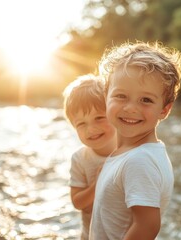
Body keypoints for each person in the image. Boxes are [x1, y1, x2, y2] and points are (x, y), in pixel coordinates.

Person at [89, 41, 181, 240]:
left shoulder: (139, 161)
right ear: (106, 97)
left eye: (146, 100)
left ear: (164, 110)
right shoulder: (133, 153)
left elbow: (147, 226)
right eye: (121, 96)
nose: (131, 108)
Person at [63, 74, 117, 240]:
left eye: (99, 118)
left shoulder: (131, 153)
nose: (91, 129)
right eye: (81, 124)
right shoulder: (80, 159)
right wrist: (98, 183)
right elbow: (77, 202)